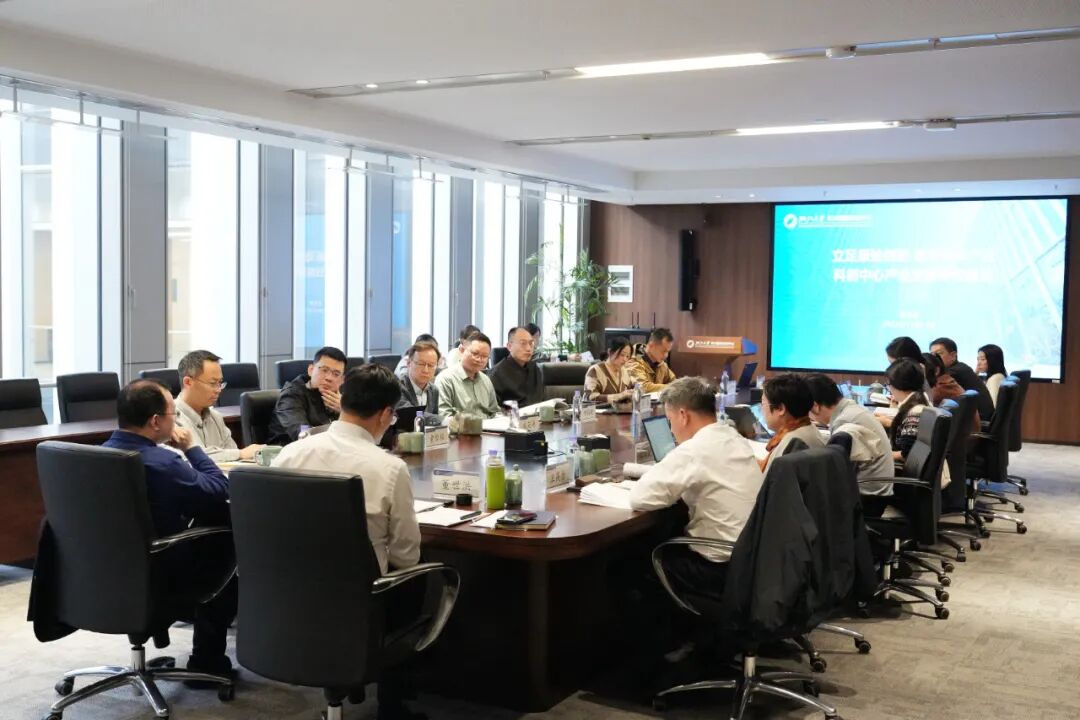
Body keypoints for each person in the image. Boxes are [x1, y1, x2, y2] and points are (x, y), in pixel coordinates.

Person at [271, 364, 423, 720]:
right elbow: (406, 556)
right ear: (385, 414)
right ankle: (392, 702)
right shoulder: (388, 468)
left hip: (289, 594)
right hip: (360, 602)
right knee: (419, 578)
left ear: (343, 401)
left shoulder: (291, 453)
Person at [102, 380, 236, 682]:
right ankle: (207, 661)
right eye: (173, 414)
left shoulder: (95, 456)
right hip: (158, 575)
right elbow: (219, 488)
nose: (176, 421)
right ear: (155, 421)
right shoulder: (161, 462)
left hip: (100, 574)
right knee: (224, 530)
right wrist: (192, 448)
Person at [629, 377, 764, 597]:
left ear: (683, 415)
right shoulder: (734, 438)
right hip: (753, 561)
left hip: (719, 569)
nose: (672, 430)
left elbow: (640, 497)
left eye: (670, 421)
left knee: (629, 565)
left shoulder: (695, 449)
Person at [805, 373, 893, 516]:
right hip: (876, 491)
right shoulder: (852, 409)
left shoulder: (844, 421)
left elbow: (838, 471)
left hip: (867, 499)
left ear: (815, 406)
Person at [174, 349, 263, 462]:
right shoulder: (169, 418)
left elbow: (234, 458)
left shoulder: (216, 417)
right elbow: (188, 459)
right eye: (212, 383)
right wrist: (240, 453)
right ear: (188, 382)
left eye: (220, 383)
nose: (218, 390)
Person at [267, 346, 346, 444]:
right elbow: (303, 434)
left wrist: (345, 411)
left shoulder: (342, 398)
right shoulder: (291, 395)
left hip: (328, 448)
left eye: (336, 374)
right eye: (324, 370)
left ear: (342, 380)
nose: (329, 378)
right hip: (288, 449)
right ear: (311, 370)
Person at [758, 373, 824, 473]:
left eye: (763, 404)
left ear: (780, 409)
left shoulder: (792, 444)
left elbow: (768, 480)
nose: (761, 409)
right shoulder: (808, 429)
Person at [435, 331, 500, 418]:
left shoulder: (486, 380)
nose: (479, 359)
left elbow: (494, 412)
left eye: (484, 356)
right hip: (460, 426)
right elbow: (444, 416)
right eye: (475, 354)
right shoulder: (445, 379)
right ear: (462, 350)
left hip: (489, 426)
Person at [929, 336, 994, 419]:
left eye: (939, 354)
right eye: (932, 355)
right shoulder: (960, 367)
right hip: (977, 418)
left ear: (953, 355)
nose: (934, 358)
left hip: (980, 420)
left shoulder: (954, 372)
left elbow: (933, 396)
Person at [885, 359, 933, 461]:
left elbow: (907, 454)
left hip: (904, 467)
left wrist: (880, 456)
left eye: (888, 385)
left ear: (898, 384)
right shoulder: (920, 398)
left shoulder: (915, 411)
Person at [489, 326, 545, 407]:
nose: (528, 349)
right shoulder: (496, 374)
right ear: (509, 346)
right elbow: (494, 409)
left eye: (531, 343)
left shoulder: (535, 368)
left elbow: (541, 399)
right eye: (523, 343)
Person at [584, 335, 634, 403]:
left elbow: (631, 389)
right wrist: (619, 396)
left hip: (621, 409)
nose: (625, 359)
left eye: (628, 356)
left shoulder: (624, 371)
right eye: (622, 355)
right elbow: (590, 397)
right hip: (599, 410)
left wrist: (636, 391)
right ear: (610, 352)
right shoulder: (595, 370)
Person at [397, 340, 442, 417]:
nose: (426, 370)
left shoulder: (434, 390)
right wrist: (442, 419)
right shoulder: (397, 387)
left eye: (431, 365)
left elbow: (434, 420)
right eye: (421, 364)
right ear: (409, 363)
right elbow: (410, 414)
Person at [625, 328, 677, 393]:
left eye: (668, 352)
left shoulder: (661, 364)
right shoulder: (634, 360)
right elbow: (643, 387)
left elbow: (675, 382)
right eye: (663, 351)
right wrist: (672, 387)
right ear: (651, 346)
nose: (666, 355)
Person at [977, 343, 1008, 408]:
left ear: (992, 360)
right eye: (978, 359)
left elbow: (992, 406)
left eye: (982, 359)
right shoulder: (1000, 375)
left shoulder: (994, 379)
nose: (978, 363)